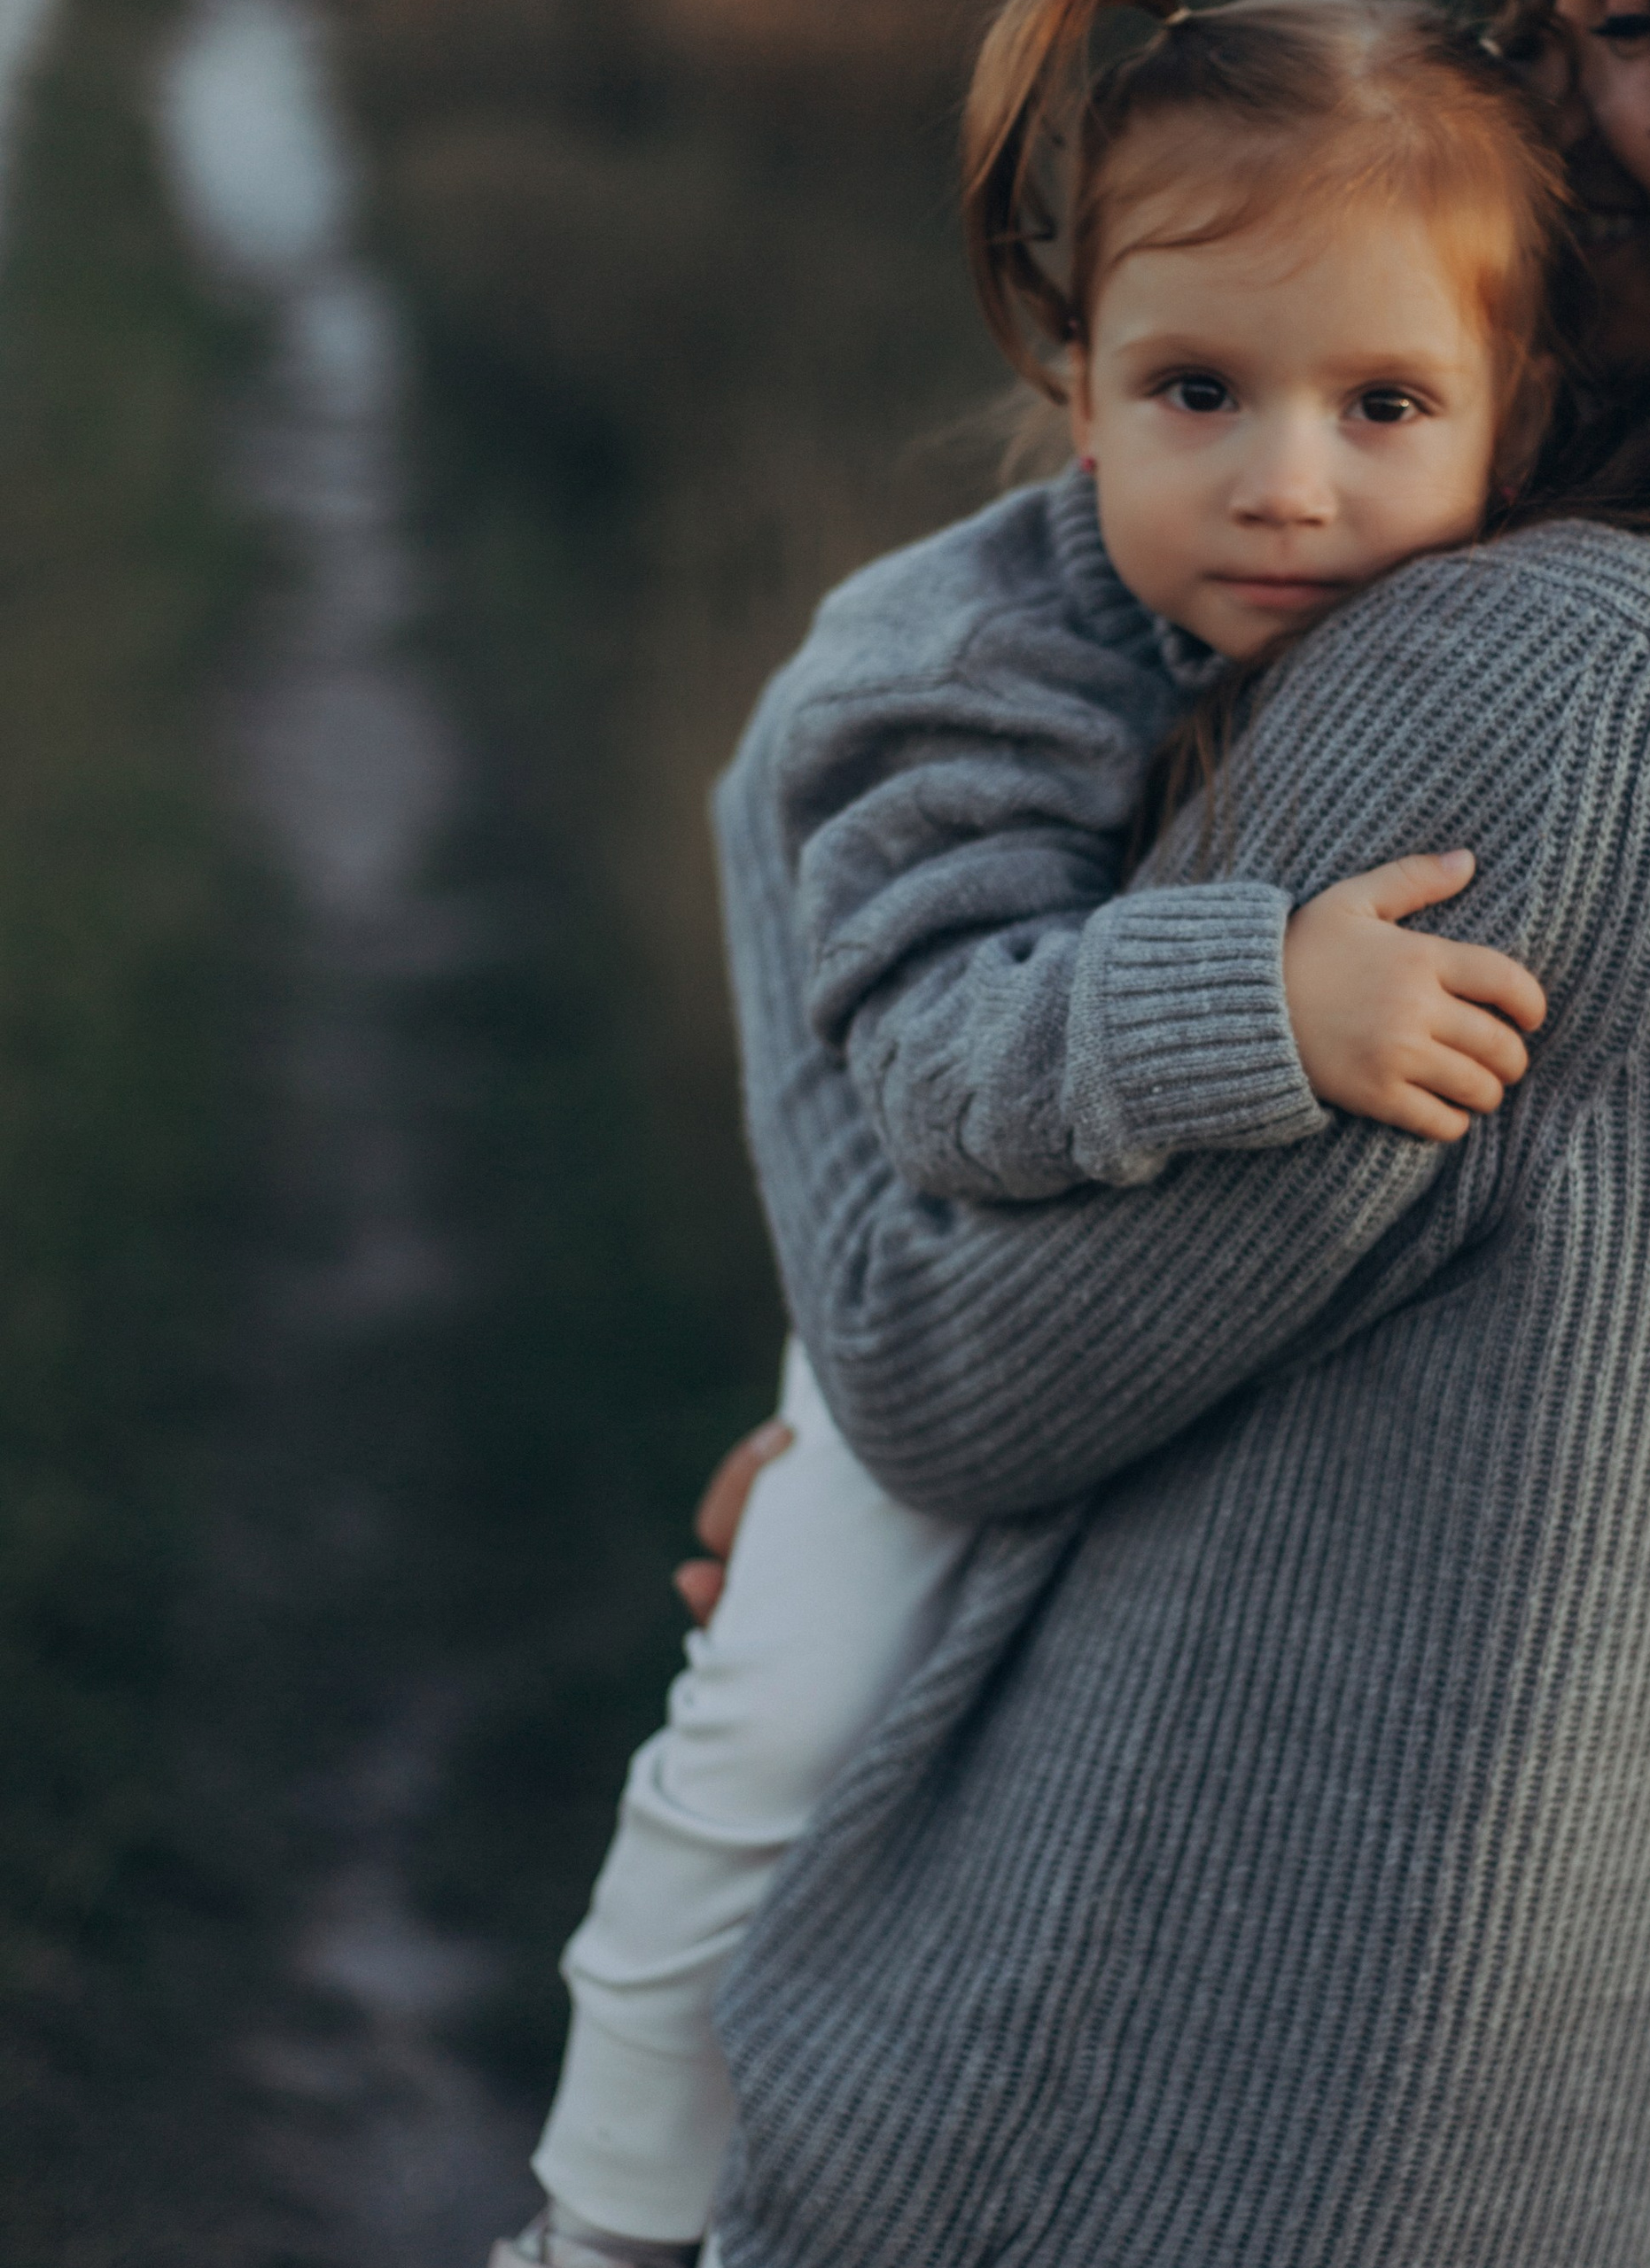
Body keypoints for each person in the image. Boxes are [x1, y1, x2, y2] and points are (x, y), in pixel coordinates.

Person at [690, 0, 1650, 2261]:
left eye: (1625, 27)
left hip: (1150, 2150)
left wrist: (785, 792)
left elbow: (930, 1364)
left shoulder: (1577, 695)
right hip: (1558, 2162)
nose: (1531, 67)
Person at [493, 5, 1567, 2259]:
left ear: (1510, 404)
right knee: (779, 1718)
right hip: (940, 1261)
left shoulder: (1471, 610)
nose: (1286, 481)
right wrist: (1256, 1003)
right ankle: (603, 2209)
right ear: (1079, 391)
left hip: (1127, 1335)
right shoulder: (956, 660)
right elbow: (929, 1056)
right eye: (1198, 392)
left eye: (1382, 406)